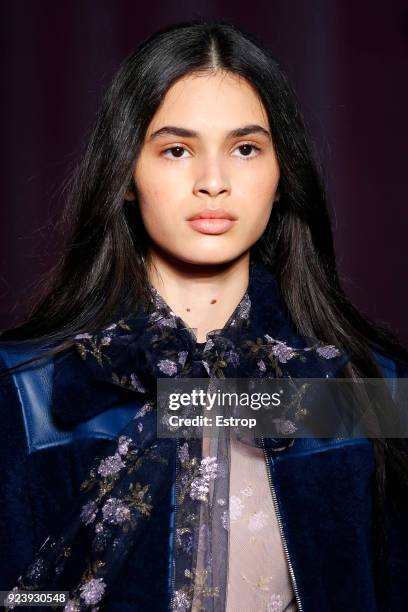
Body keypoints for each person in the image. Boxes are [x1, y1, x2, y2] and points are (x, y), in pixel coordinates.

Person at [0, 18, 407, 612]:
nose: (213, 182)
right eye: (176, 150)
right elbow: (19, 596)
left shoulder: (368, 389)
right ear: (127, 176)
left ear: (281, 174)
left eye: (245, 149)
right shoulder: (28, 393)